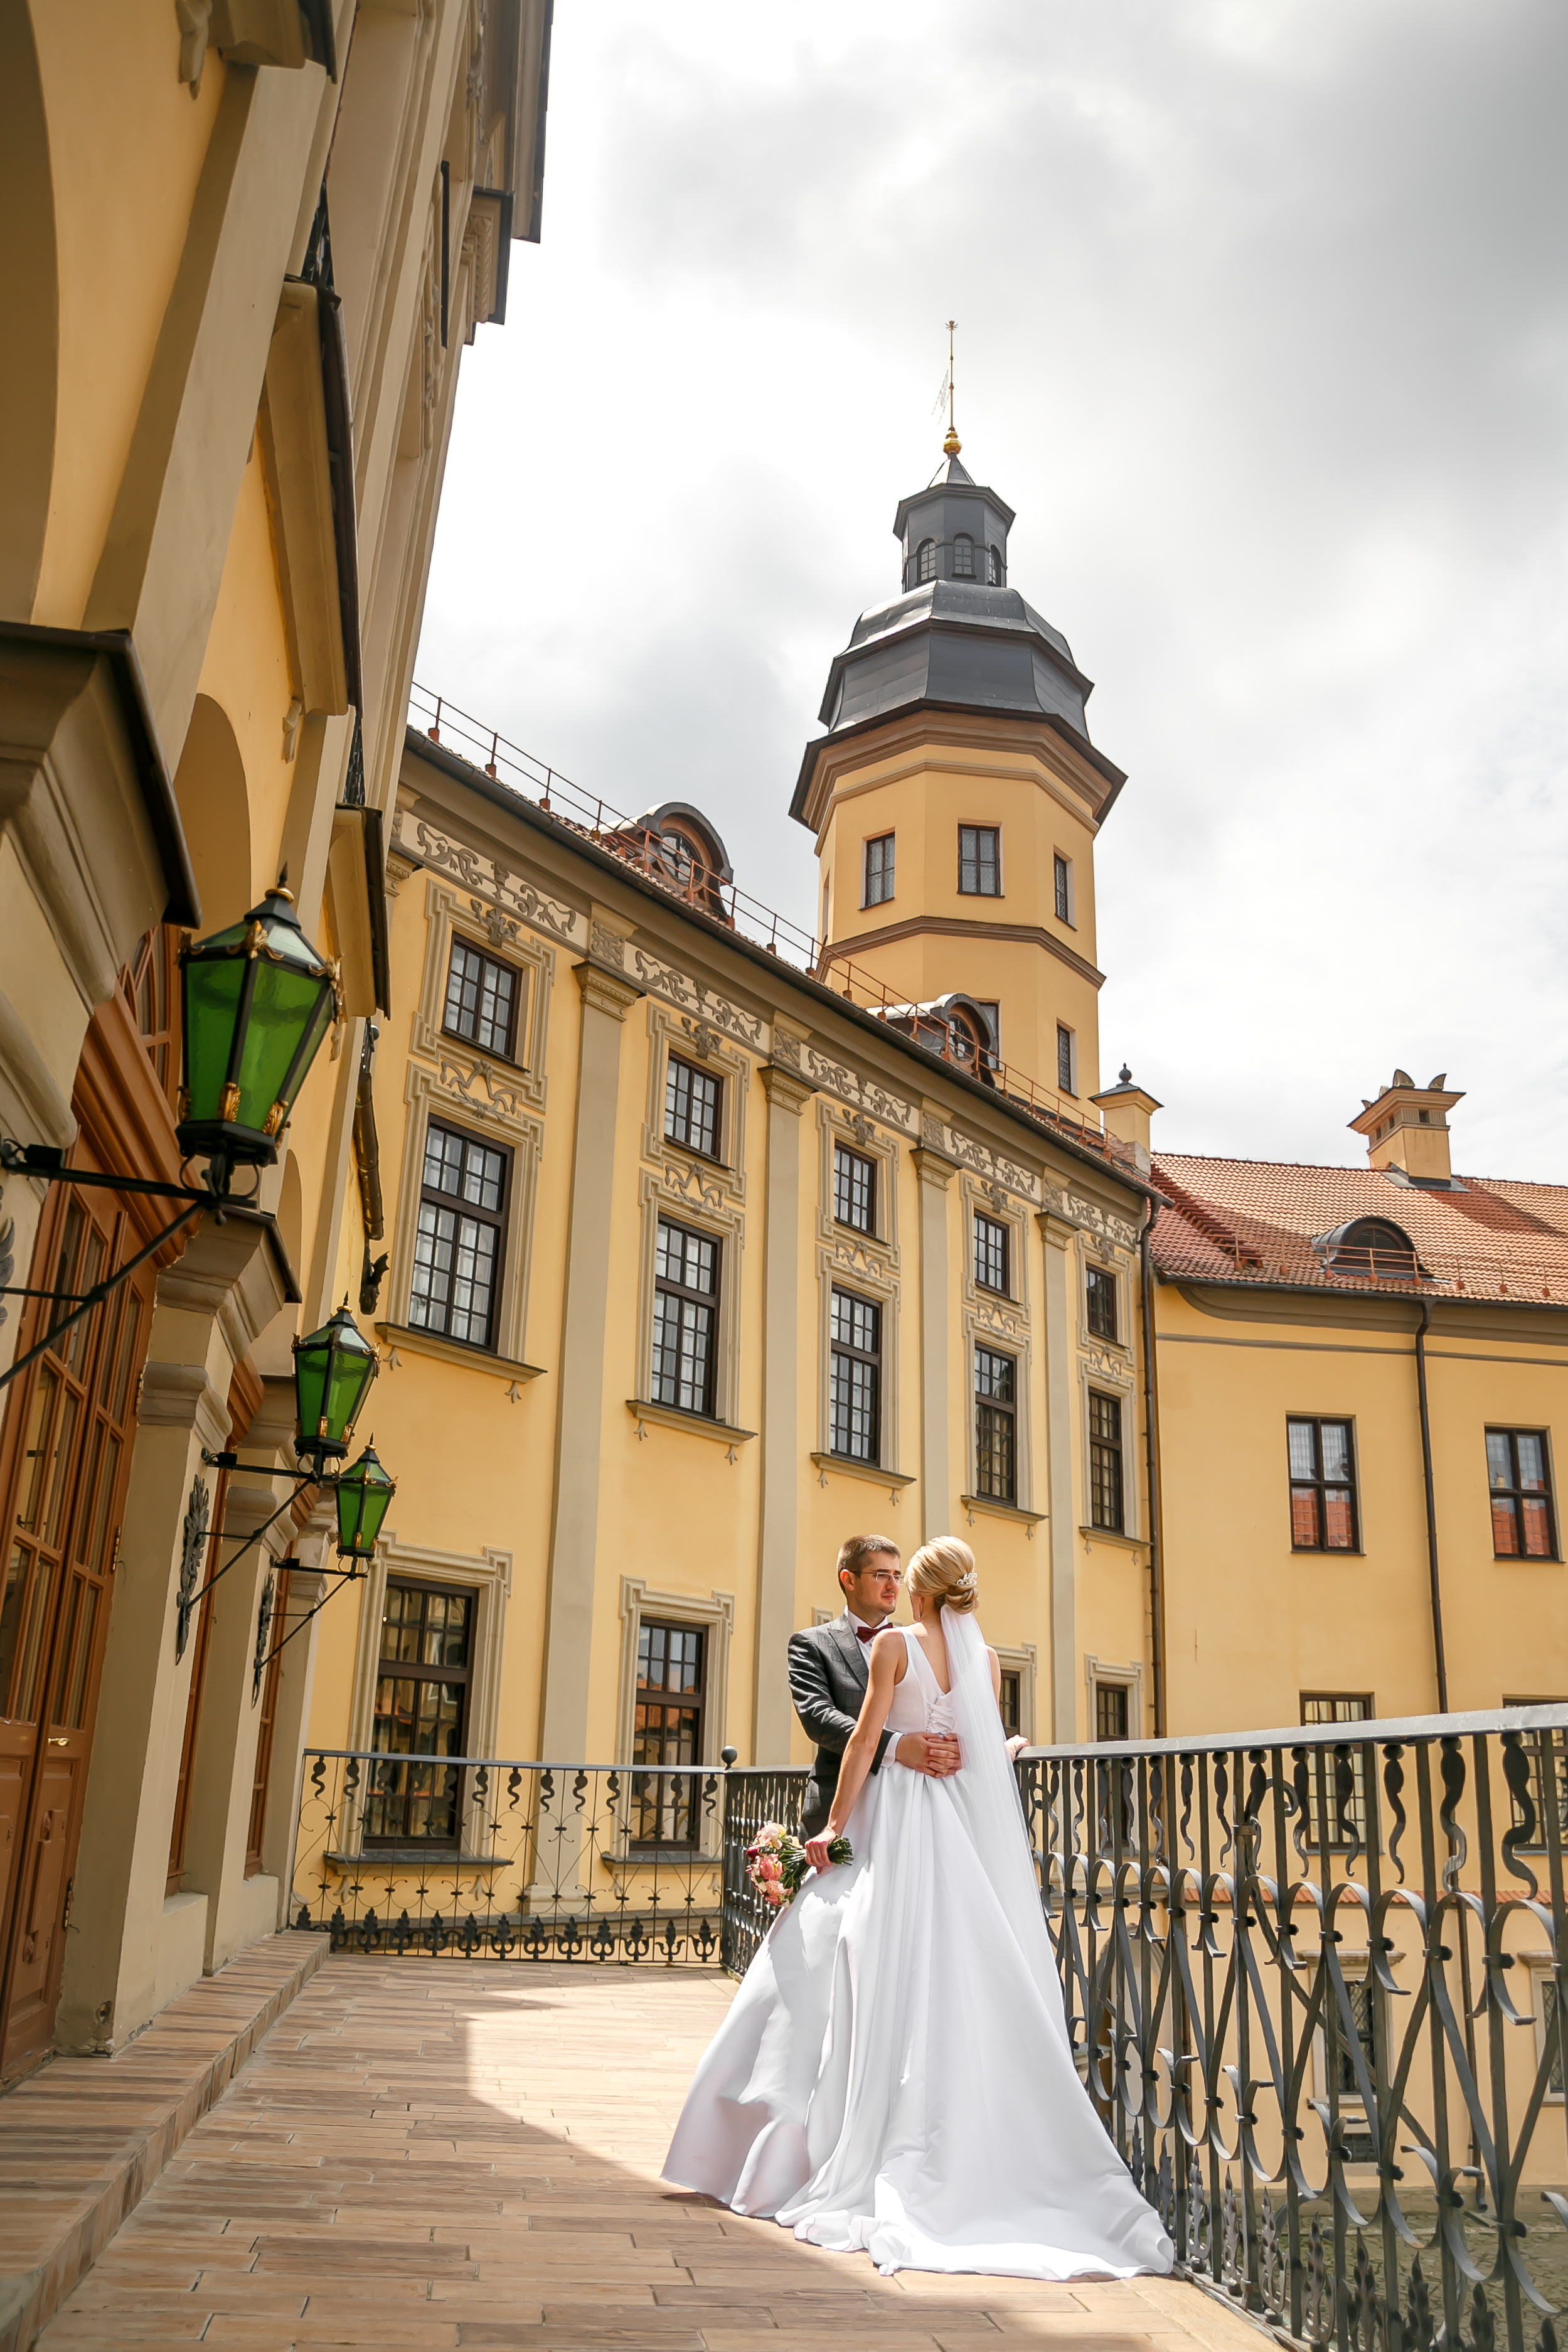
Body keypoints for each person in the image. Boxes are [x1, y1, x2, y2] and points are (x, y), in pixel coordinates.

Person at [662, 1537, 1174, 2282]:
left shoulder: (894, 1646)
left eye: (902, 1577)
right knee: (951, 1958)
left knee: (867, 1947)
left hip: (893, 1819)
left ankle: (819, 2126)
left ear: (919, 1590)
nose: (895, 1585)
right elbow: (973, 1745)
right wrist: (1006, 1749)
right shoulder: (985, 1659)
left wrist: (834, 1828)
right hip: (953, 1827)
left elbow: (866, 1740)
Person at [786, 1533, 961, 1835]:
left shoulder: (915, 1643)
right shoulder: (811, 1643)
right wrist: (896, 1746)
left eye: (897, 1576)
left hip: (915, 1809)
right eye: (881, 1575)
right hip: (839, 1805)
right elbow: (818, 1718)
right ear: (849, 1580)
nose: (893, 1586)